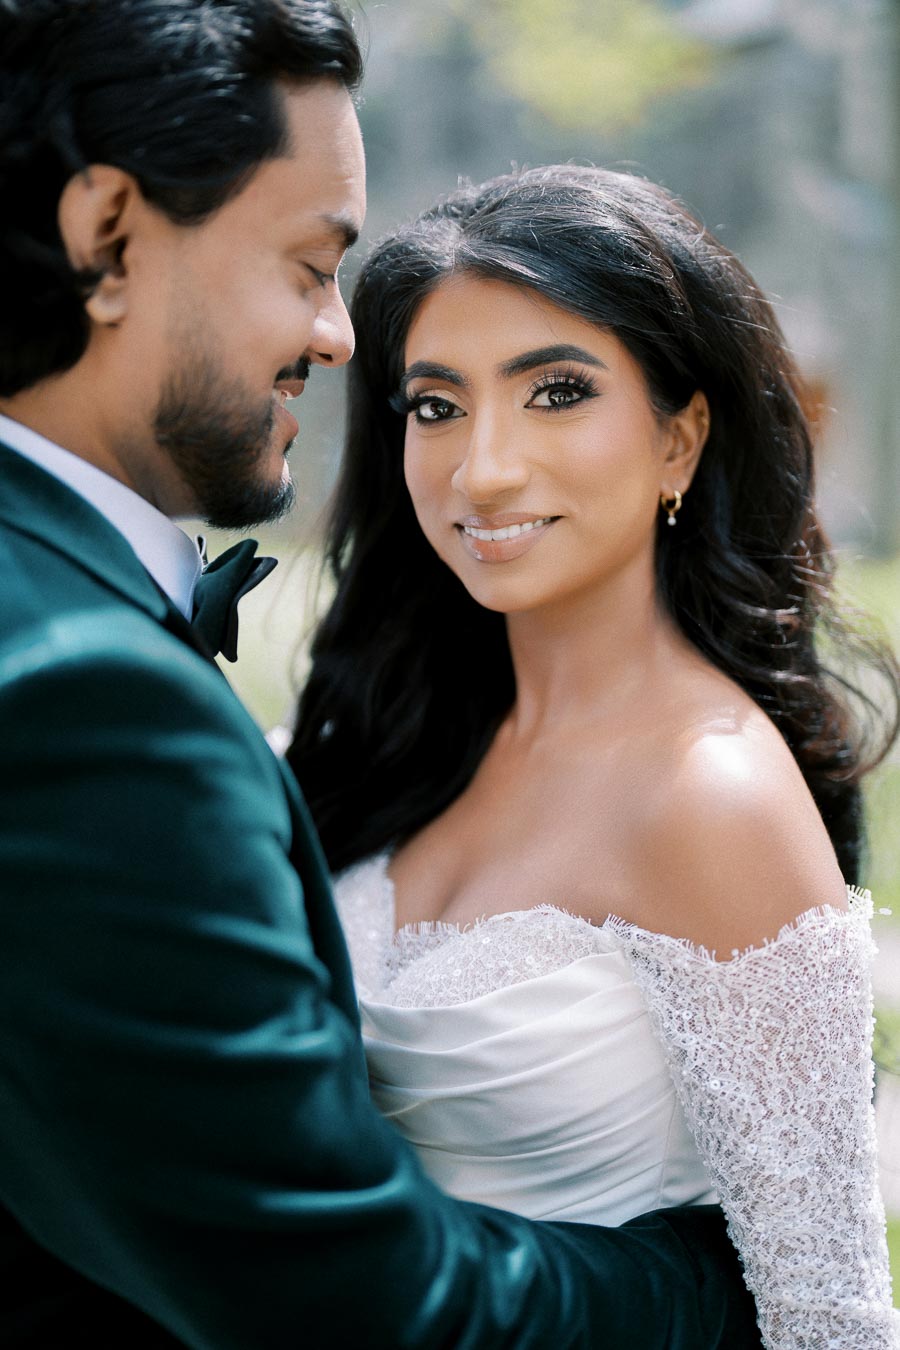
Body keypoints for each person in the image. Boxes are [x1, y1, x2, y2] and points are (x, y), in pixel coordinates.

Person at [0, 2, 769, 1346]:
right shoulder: (80, 691)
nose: (340, 335)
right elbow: (344, 1296)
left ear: (680, 441)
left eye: (559, 394)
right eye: (310, 264)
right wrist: (703, 1282)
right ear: (105, 236)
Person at [288, 165, 900, 1347]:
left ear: (681, 437)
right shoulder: (400, 739)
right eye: (437, 405)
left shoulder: (712, 795)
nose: (484, 470)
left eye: (555, 393)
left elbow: (829, 1318)